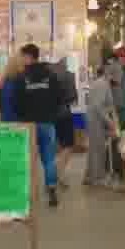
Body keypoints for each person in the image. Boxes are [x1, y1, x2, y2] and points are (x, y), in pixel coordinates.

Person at [13, 44, 64, 207]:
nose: (21, 59)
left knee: (26, 159)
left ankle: (27, 193)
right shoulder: (51, 75)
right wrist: (51, 114)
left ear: (29, 57)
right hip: (47, 123)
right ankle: (52, 190)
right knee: (48, 158)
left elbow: (17, 103)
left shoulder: (21, 77)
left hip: (28, 125)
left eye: (22, 56)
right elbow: (59, 98)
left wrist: (22, 117)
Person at [83, 62, 122, 188]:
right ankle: (96, 178)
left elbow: (109, 106)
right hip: (95, 121)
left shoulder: (104, 84)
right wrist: (110, 123)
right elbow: (98, 106)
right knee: (97, 150)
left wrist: (114, 118)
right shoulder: (102, 85)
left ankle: (90, 176)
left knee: (95, 149)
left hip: (97, 120)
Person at [51, 58, 78, 186]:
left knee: (54, 146)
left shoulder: (48, 75)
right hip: (64, 114)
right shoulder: (69, 75)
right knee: (68, 145)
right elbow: (73, 99)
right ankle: (59, 172)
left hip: (49, 116)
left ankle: (53, 172)